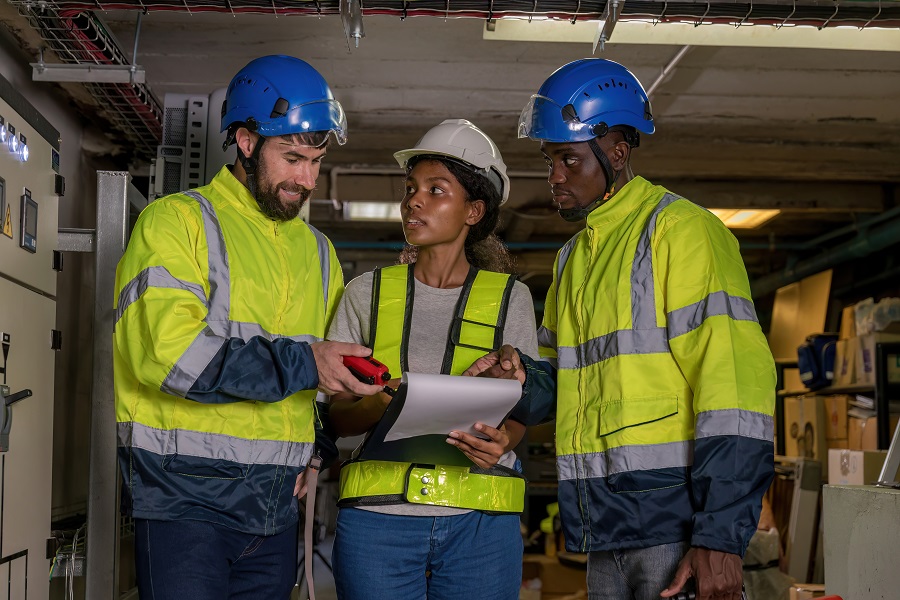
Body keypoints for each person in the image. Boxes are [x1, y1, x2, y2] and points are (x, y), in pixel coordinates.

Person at [478, 58, 776, 600]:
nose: (555, 178)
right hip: (601, 522)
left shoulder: (682, 233)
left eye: (568, 159)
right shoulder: (573, 258)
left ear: (616, 153)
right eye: (550, 161)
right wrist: (519, 379)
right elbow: (570, 381)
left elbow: (735, 389)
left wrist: (720, 536)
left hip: (675, 525)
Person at [113, 55, 383, 600]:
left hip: (274, 512)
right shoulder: (176, 222)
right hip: (183, 504)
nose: (306, 179)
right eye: (293, 158)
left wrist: (318, 444)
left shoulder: (321, 254)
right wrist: (307, 361)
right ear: (244, 140)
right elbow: (169, 357)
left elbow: (321, 387)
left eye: (316, 160)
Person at [325, 119, 552, 600]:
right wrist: (387, 402)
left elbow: (518, 411)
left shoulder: (509, 299)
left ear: (474, 210)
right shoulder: (365, 293)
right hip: (378, 522)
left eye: (435, 189)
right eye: (410, 189)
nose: (414, 201)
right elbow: (334, 419)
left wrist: (502, 440)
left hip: (480, 527)